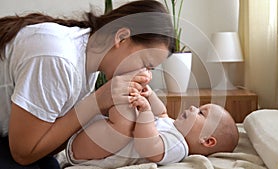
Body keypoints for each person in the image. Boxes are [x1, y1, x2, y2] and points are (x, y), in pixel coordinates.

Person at [0, 0, 174, 168]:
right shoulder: (59, 59)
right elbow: (23, 154)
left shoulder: (89, 63)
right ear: (121, 38)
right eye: (145, 64)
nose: (146, 76)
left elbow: (48, 139)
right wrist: (96, 102)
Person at [66, 83, 239, 168]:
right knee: (126, 112)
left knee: (126, 114)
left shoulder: (178, 146)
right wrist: (150, 96)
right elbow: (162, 113)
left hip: (91, 152)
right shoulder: (173, 127)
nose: (193, 107)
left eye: (201, 113)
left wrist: (146, 111)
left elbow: (148, 145)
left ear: (207, 140)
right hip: (94, 136)